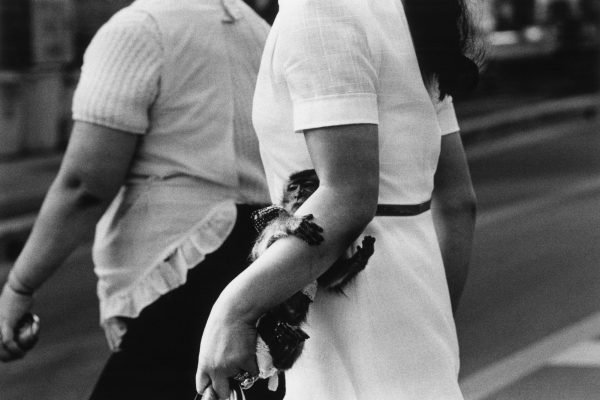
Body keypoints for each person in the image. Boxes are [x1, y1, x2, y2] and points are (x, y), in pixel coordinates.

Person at [0, 0, 285, 399]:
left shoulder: (138, 30)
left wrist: (18, 286)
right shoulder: (256, 28)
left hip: (180, 266)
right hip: (256, 259)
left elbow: (85, 185)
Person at [195, 0, 480, 399]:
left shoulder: (317, 10)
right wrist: (427, 322)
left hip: (352, 309)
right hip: (415, 303)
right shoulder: (399, 11)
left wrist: (234, 310)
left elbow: (347, 195)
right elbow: (456, 203)